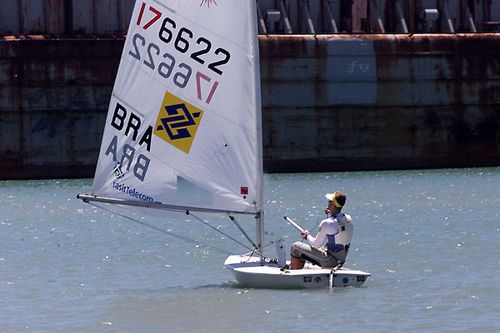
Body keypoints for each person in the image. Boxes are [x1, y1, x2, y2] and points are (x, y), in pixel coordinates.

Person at [290, 191, 352, 270]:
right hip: (340, 260)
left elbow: (315, 244)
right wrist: (332, 212)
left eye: (329, 202)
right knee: (321, 247)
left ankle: (294, 275)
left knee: (295, 247)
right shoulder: (348, 219)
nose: (328, 203)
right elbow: (337, 231)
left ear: (332, 204)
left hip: (329, 260)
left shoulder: (327, 223)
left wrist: (307, 236)